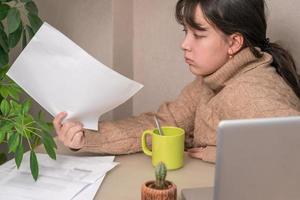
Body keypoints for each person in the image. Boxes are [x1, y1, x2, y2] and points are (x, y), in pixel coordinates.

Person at [53, 0, 300, 163]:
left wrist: (224, 154)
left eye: (199, 34)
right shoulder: (212, 80)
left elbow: (291, 154)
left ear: (234, 43)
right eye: (186, 32)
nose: (185, 44)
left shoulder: (252, 92)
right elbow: (163, 123)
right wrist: (88, 136)